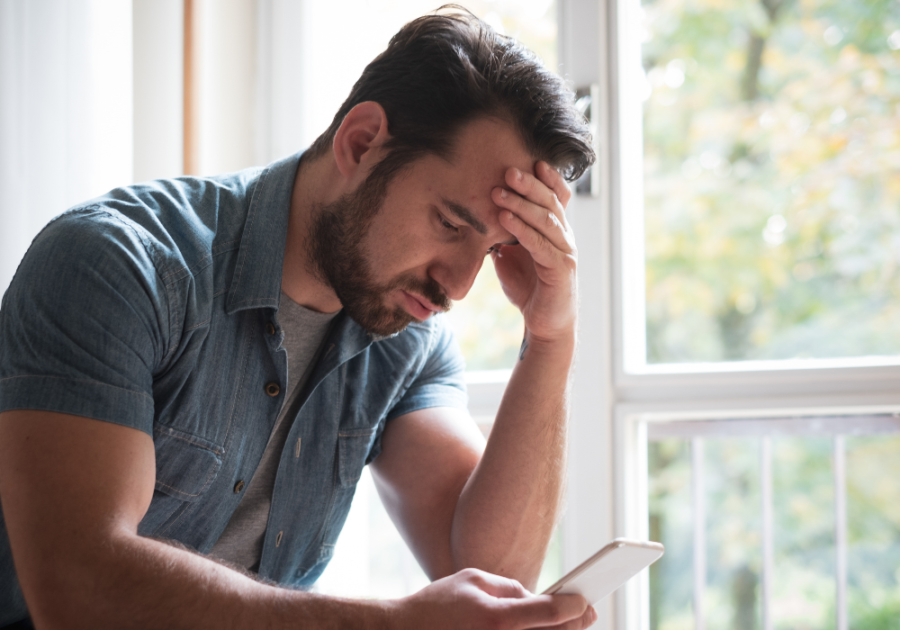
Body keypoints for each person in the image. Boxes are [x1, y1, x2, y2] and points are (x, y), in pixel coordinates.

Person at [0, 7, 595, 629]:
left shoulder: (406, 336)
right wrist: (391, 625)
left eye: (495, 249)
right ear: (361, 142)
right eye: (450, 223)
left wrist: (551, 336)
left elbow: (489, 571)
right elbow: (78, 591)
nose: (460, 286)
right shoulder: (120, 266)